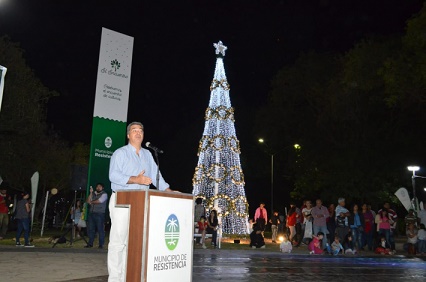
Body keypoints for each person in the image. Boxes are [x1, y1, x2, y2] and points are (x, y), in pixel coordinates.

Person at [108, 122, 175, 281]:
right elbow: (113, 176)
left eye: (140, 131)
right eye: (134, 130)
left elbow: (156, 176)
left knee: (133, 243)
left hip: (140, 204)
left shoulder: (147, 154)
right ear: (128, 135)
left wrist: (169, 191)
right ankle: (115, 279)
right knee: (118, 242)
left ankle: (128, 276)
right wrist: (135, 179)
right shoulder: (120, 153)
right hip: (122, 201)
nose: (138, 133)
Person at [85, 183, 108, 249]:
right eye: (97, 186)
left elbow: (99, 201)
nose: (98, 188)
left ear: (102, 188)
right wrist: (91, 193)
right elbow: (87, 201)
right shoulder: (93, 194)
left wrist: (91, 202)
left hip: (100, 214)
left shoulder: (104, 194)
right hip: (91, 213)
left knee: (100, 230)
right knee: (91, 229)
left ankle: (101, 245)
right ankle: (90, 243)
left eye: (100, 186)